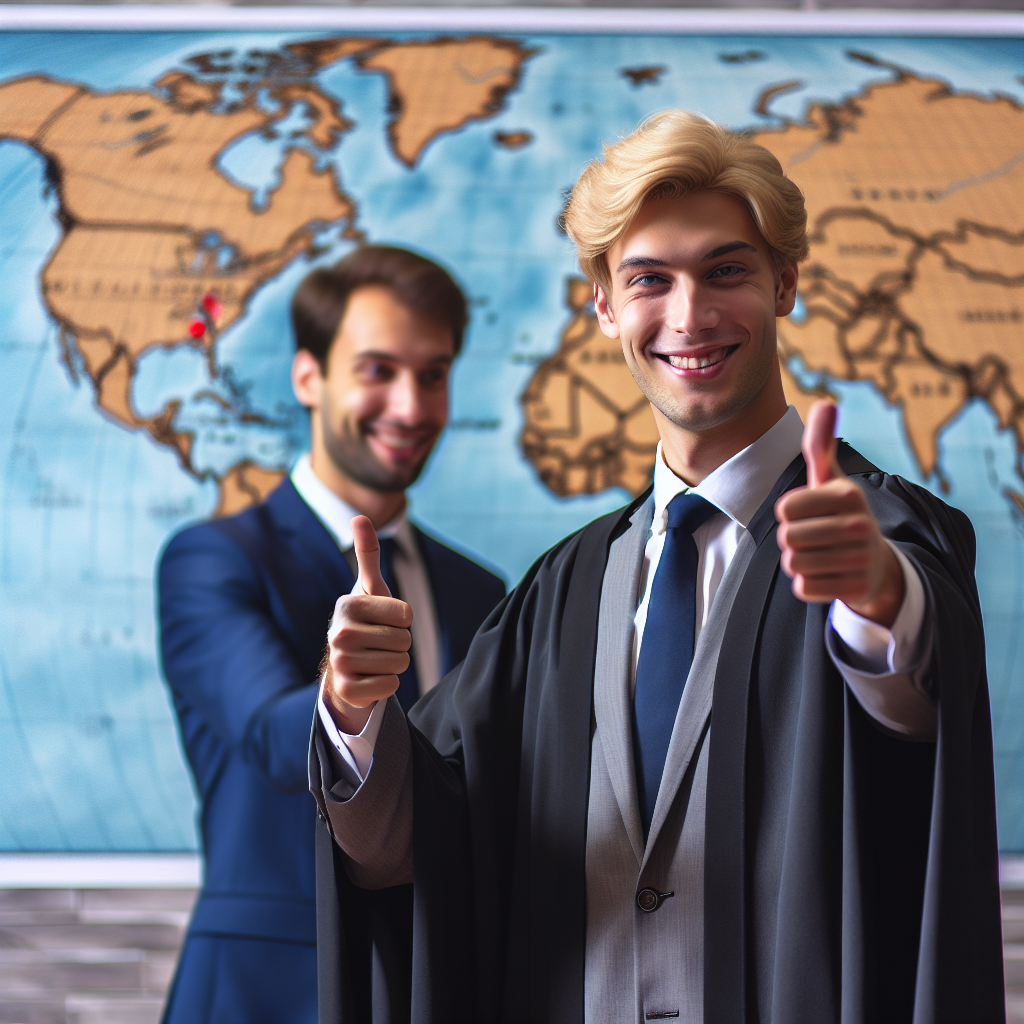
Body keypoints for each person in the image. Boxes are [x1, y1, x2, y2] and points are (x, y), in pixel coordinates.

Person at [310, 114, 1004, 1023]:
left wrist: (875, 594)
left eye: (726, 271)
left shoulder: (882, 536)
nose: (688, 316)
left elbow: (915, 680)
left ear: (785, 281)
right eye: (648, 280)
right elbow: (422, 845)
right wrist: (356, 718)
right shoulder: (559, 593)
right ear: (603, 306)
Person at [158, 246, 506, 1024]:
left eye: (434, 373)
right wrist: (345, 701)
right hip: (269, 992)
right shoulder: (213, 560)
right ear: (308, 377)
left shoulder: (479, 591)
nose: (412, 406)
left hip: (440, 985)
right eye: (377, 370)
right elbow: (266, 731)